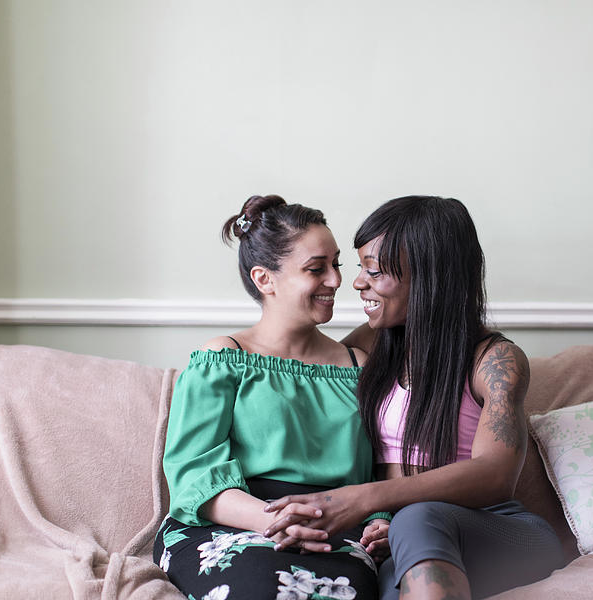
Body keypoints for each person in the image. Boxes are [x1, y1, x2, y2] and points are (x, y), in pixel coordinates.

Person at [265, 196, 564, 600]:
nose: (356, 283)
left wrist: (367, 500)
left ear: (429, 276)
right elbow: (300, 386)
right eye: (361, 269)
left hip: (499, 532)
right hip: (396, 535)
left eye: (374, 271)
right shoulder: (370, 344)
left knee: (420, 519)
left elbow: (495, 475)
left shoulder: (495, 360)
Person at [153, 195, 390, 600]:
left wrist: (380, 522)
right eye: (317, 269)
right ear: (265, 279)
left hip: (333, 531)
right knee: (260, 585)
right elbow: (194, 478)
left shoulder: (360, 368)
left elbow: (382, 472)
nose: (336, 280)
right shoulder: (222, 360)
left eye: (336, 265)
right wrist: (274, 520)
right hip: (229, 525)